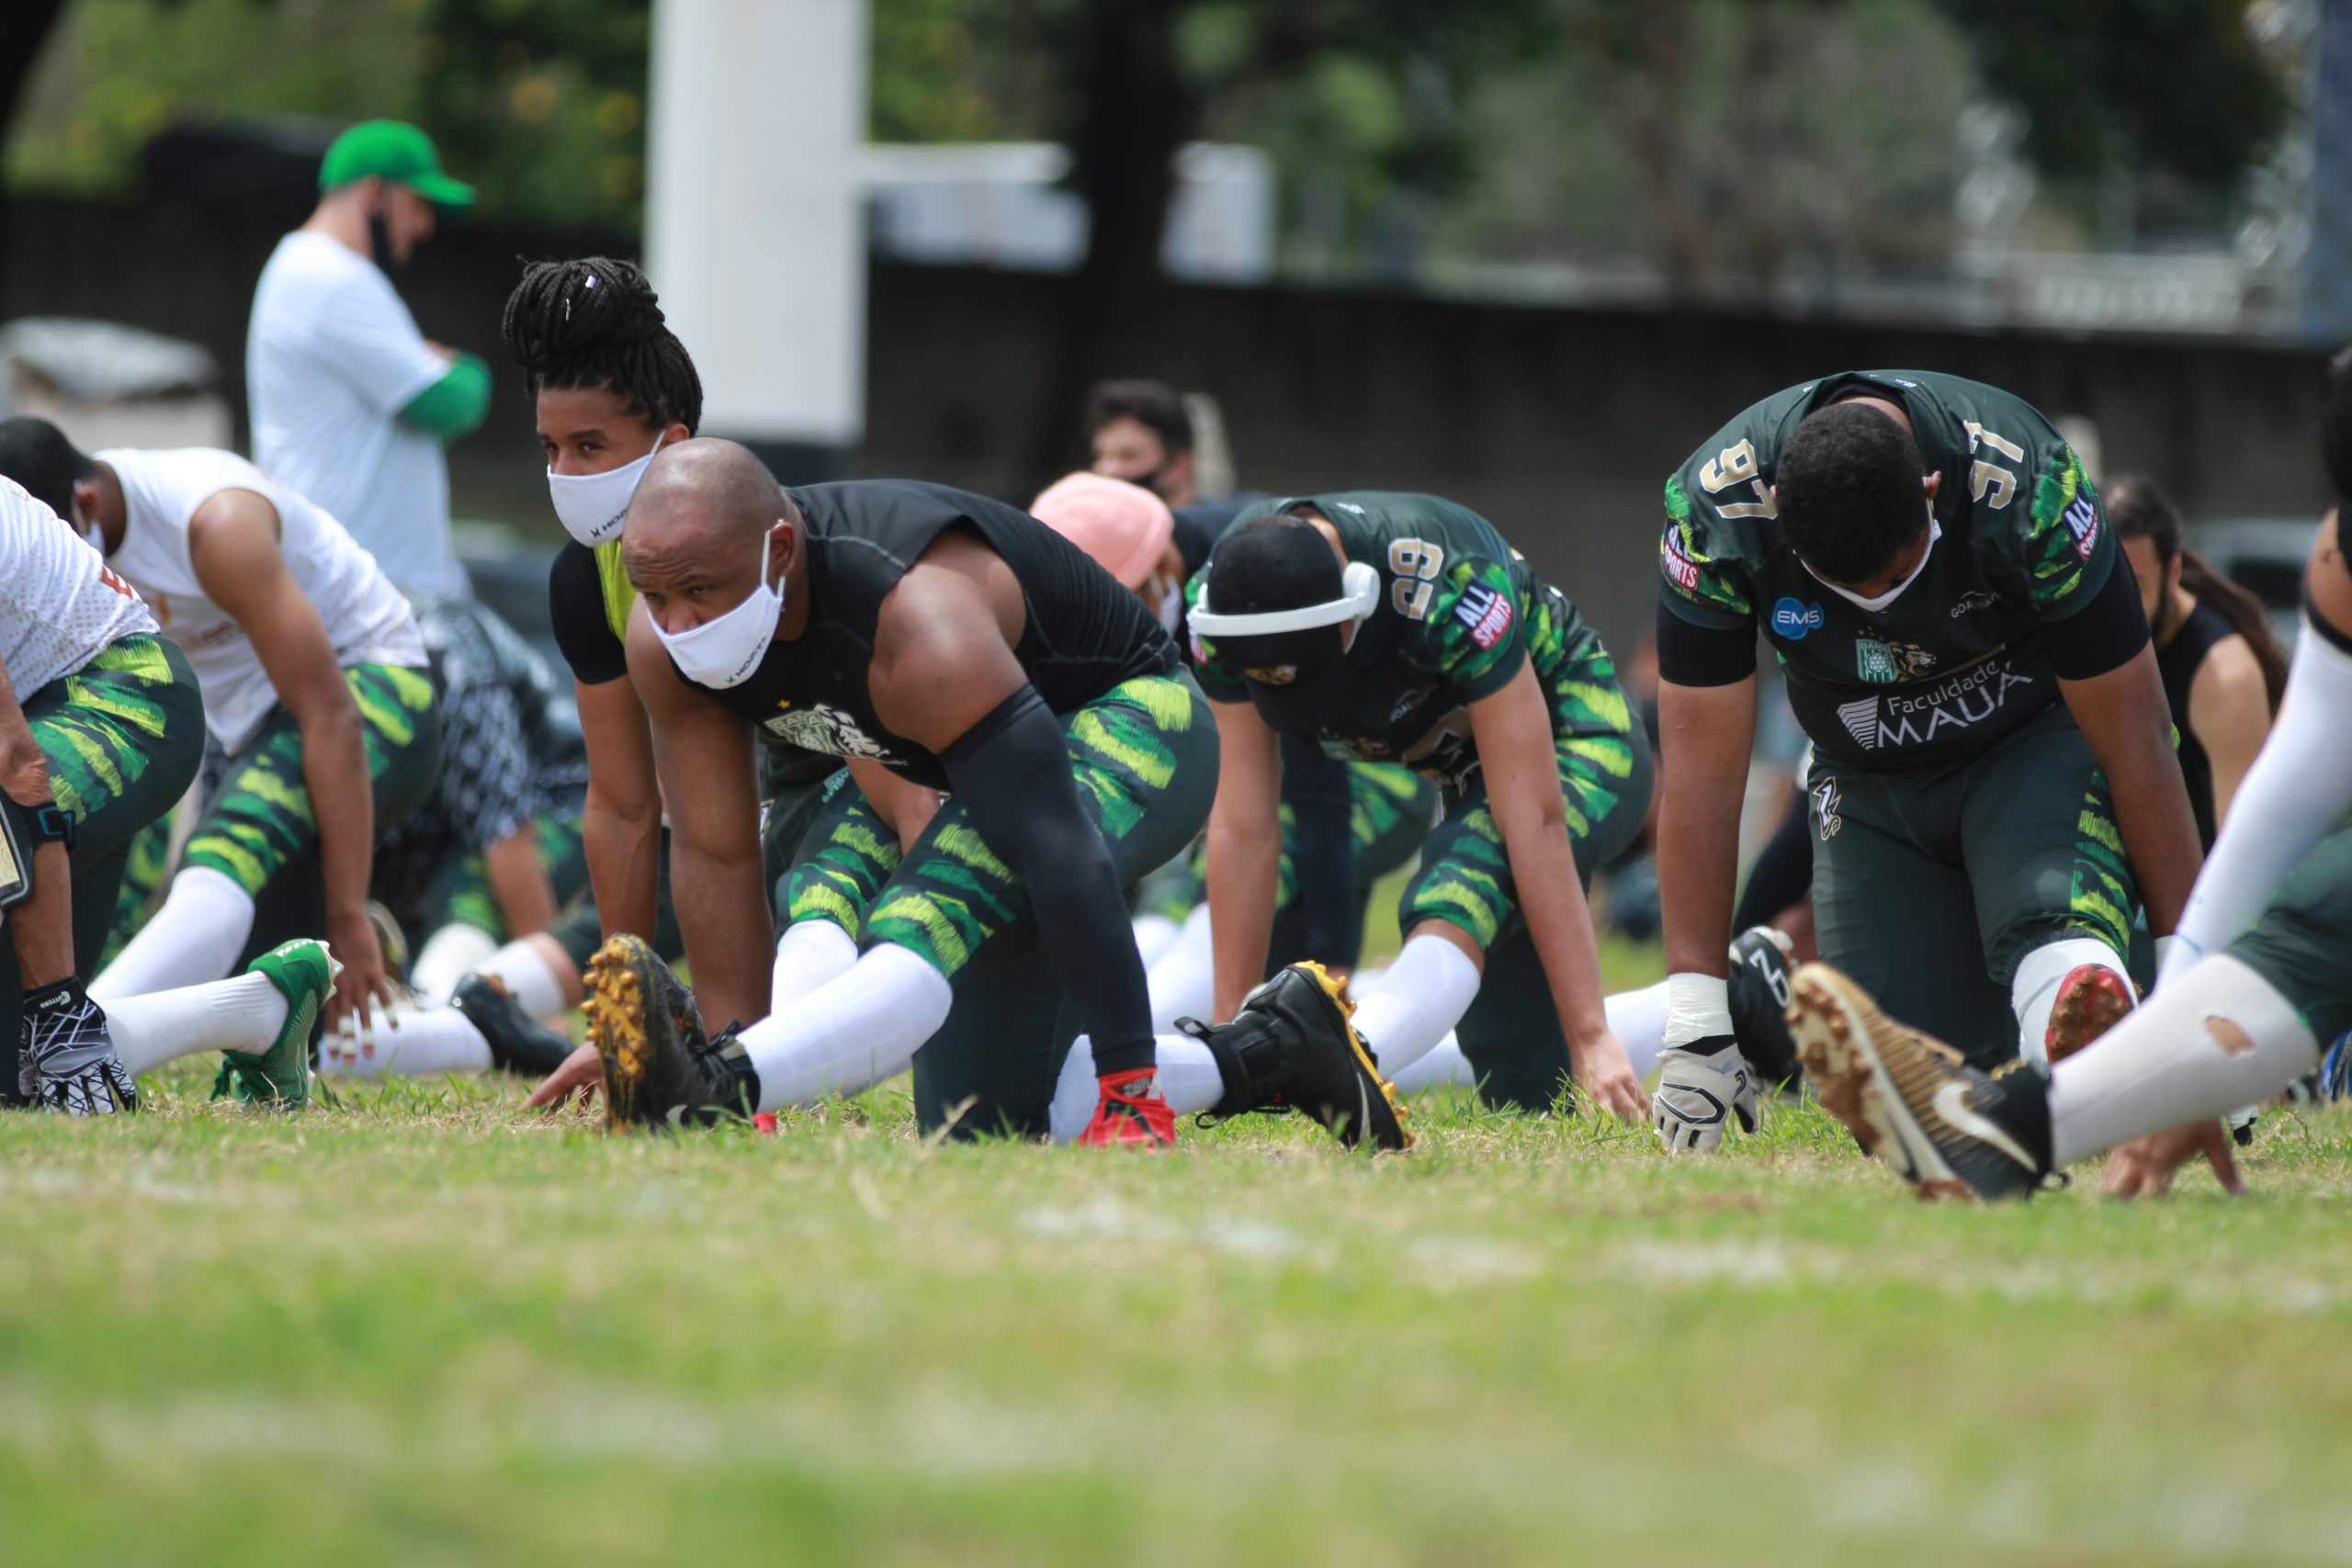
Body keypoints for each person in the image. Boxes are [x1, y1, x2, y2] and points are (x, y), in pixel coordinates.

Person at [566, 439, 1406, 1150]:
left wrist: (1128, 1083)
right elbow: (716, 851)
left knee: (923, 911)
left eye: (701, 593)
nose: (679, 626)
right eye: (656, 597)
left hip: (1128, 715)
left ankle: (725, 1085)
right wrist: (735, 1039)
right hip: (955, 755)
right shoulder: (667, 636)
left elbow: (1054, 836)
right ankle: (1277, 1046)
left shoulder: (920, 622)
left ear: (779, 552)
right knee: (987, 1116)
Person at [1781, 346, 2352, 1201]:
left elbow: (2197, 777)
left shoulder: (2211, 659)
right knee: (2316, 920)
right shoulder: (2340, 558)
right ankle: (2005, 1121)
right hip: (1904, 789)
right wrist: (2183, 1033)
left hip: (2069, 811)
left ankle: (2035, 1072)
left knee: (2061, 900)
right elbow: (2291, 792)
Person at [1650, 371, 2203, 1152]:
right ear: (1778, 514)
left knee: (2045, 913)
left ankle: (2084, 1021)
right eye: (1851, 589)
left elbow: (2139, 735)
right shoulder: (1714, 515)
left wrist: (2192, 985)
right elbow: (1703, 775)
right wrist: (1697, 1023)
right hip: (1870, 775)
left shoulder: (2030, 485)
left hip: (2031, 737)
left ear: (1934, 489)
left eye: (1897, 576)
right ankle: (2031, 1088)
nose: (1881, 609)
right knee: (1907, 1080)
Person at [0, 420, 443, 1104]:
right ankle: (476, 1022)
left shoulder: (215, 524)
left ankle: (66, 1044)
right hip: (247, 731)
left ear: (83, 504)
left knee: (214, 875)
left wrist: (349, 909)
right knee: (303, 1007)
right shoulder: (74, 541)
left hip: (377, 693)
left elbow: (329, 711)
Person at [1184, 491, 1655, 1120]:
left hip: (1578, 735)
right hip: (1468, 777)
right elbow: (1244, 826)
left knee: (1457, 878)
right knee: (1523, 1075)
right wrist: (1229, 1026)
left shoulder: (1448, 585)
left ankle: (1341, 1054)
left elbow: (1531, 818)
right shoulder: (1223, 607)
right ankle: (1747, 1006)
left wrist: (1593, 1033)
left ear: (1355, 608)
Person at [1028, 471, 1438, 1012]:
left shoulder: (1251, 578)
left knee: (1256, 866)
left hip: (1374, 772)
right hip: (1275, 778)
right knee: (1204, 868)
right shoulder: (1130, 581)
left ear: (1151, 576)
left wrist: (1334, 955)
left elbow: (1317, 783)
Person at [0, 476, 207, 1111]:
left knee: (51, 1039)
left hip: (127, 698)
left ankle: (64, 1015)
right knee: (15, 1079)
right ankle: (257, 1006)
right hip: (44, 719)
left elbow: (16, 767)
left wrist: (55, 1001)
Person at [247, 119, 485, 594]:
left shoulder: (308, 268)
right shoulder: (334, 278)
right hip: (362, 596)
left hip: (355, 584)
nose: (424, 226)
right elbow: (449, 403)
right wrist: (465, 368)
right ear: (375, 194)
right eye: (418, 204)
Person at [2109, 475, 2286, 848]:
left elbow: (2241, 853)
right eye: (2103, 582)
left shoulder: (2226, 676)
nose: (2113, 606)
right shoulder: (2083, 637)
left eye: (2133, 585)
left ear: (2171, 572)